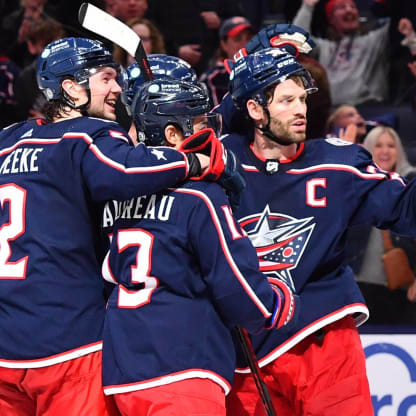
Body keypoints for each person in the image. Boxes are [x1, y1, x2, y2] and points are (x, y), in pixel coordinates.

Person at [0, 36, 230, 416]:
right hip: (66, 345)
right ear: (71, 87)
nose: (117, 88)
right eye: (107, 78)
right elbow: (126, 170)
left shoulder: (6, 141)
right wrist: (191, 163)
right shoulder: (87, 136)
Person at [220, 46, 416, 415]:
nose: (300, 109)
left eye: (302, 98)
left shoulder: (338, 163)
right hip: (244, 353)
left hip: (323, 339)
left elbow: (406, 209)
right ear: (254, 110)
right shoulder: (220, 161)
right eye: (286, 100)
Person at [100, 77, 297, 416]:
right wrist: (275, 301)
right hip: (184, 366)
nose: (210, 134)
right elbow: (236, 286)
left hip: (122, 371)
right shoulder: (200, 196)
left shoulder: (112, 195)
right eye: (201, 124)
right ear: (173, 134)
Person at [346, 126, 416, 325]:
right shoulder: (353, 181)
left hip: (402, 288)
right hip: (357, 287)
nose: (385, 151)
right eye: (378, 146)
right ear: (368, 149)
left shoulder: (411, 182)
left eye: (391, 146)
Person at [293, 0, 390, 106]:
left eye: (353, 7)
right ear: (332, 19)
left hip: (369, 108)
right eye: (342, 7)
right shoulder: (324, 47)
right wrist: (308, 5)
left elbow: (399, 20)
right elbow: (296, 40)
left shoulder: (375, 40)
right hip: (334, 112)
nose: (349, 10)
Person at [199, 16, 255, 107]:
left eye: (249, 38)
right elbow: (219, 117)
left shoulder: (263, 68)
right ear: (223, 44)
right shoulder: (212, 79)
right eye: (237, 39)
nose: (245, 44)